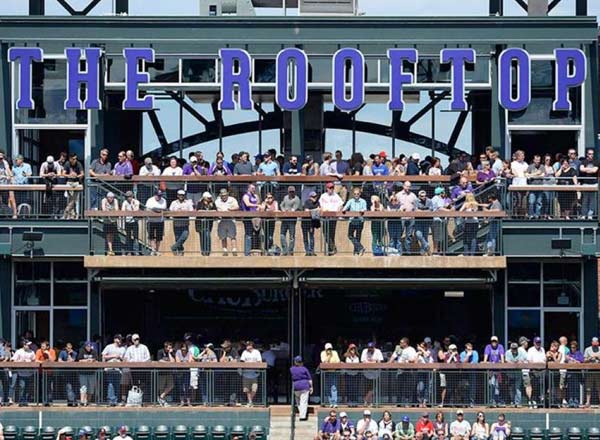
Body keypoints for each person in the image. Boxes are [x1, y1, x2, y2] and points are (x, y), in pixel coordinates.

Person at [101, 334, 126, 406]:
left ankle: (115, 400)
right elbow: (103, 356)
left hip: (118, 369)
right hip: (109, 368)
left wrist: (120, 358)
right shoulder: (109, 346)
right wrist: (114, 356)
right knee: (110, 384)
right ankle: (111, 400)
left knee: (117, 385)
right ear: (115, 339)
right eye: (119, 339)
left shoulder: (123, 348)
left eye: (121, 339)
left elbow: (125, 359)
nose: (120, 340)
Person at [320, 182, 344, 255]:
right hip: (326, 217)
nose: (331, 189)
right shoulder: (323, 196)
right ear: (327, 188)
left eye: (332, 187)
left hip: (333, 217)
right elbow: (321, 205)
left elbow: (341, 205)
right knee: (325, 234)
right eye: (330, 188)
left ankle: (330, 251)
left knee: (331, 234)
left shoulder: (336, 196)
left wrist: (338, 212)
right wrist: (324, 211)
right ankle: (333, 248)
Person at [169, 189, 194, 255]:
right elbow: (170, 211)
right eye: (180, 195)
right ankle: (180, 251)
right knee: (177, 238)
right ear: (177, 195)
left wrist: (184, 211)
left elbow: (191, 211)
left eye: (182, 195)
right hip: (176, 222)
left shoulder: (188, 202)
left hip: (185, 222)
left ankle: (174, 247)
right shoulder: (174, 202)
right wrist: (177, 212)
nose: (181, 196)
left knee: (184, 236)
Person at [343, 187, 367, 255]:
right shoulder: (350, 201)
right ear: (353, 194)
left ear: (360, 194)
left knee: (358, 236)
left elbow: (364, 209)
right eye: (355, 194)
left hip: (360, 221)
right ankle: (360, 248)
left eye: (358, 194)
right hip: (352, 221)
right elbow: (345, 208)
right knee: (350, 235)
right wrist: (344, 210)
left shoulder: (363, 201)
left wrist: (361, 211)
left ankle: (356, 252)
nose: (356, 195)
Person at [12, 340, 36, 406]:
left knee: (27, 388)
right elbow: (13, 360)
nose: (29, 346)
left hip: (30, 373)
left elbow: (34, 360)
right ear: (24, 345)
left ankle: (25, 401)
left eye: (29, 345)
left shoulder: (32, 352)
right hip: (21, 373)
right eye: (28, 345)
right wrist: (21, 361)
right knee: (22, 387)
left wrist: (30, 361)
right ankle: (21, 401)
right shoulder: (19, 351)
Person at [279, 186, 302, 256]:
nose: (291, 193)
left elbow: (294, 209)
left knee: (292, 236)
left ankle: (290, 251)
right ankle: (285, 250)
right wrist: (283, 210)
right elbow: (281, 205)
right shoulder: (285, 197)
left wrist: (288, 211)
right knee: (282, 234)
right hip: (284, 219)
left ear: (294, 192)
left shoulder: (297, 199)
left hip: (292, 220)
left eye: (292, 192)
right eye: (290, 191)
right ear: (288, 192)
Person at [289, 356, 312, 423]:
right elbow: (309, 379)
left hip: (296, 386)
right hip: (304, 386)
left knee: (298, 402)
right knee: (303, 402)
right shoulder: (304, 369)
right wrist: (311, 387)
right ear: (301, 362)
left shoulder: (292, 369)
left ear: (295, 362)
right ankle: (302, 416)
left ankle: (301, 414)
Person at [483, 336, 505, 407]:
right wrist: (486, 362)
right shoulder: (488, 347)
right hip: (491, 370)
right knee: (491, 385)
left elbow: (502, 359)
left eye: (495, 341)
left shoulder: (500, 346)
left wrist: (501, 362)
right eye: (492, 341)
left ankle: (498, 401)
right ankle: (492, 401)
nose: (494, 343)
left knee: (497, 386)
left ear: (497, 341)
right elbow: (485, 359)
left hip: (498, 370)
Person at [240, 341, 262, 406]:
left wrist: (253, 364)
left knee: (254, 389)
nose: (247, 346)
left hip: (254, 374)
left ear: (252, 345)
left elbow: (260, 361)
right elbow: (242, 361)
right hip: (246, 374)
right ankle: (250, 402)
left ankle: (250, 401)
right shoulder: (244, 352)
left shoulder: (257, 352)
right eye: (246, 345)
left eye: (248, 345)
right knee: (247, 389)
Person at [504, 342, 527, 407]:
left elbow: (522, 361)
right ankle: (512, 402)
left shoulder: (520, 352)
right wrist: (515, 363)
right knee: (511, 388)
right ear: (511, 348)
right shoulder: (508, 352)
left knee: (518, 388)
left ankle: (518, 403)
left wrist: (515, 363)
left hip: (518, 373)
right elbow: (507, 361)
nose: (514, 350)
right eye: (513, 349)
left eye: (515, 348)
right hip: (510, 373)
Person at [145, 190, 167, 255]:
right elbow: (147, 209)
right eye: (158, 195)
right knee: (151, 236)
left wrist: (155, 210)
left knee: (159, 237)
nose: (159, 197)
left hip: (160, 221)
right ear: (155, 195)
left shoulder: (164, 200)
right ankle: (153, 249)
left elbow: (163, 209)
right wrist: (156, 210)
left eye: (160, 196)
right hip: (151, 221)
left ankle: (157, 250)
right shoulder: (150, 200)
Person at [35, 340, 57, 406]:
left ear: (47, 347)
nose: (42, 347)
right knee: (41, 386)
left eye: (43, 346)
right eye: (41, 346)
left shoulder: (52, 351)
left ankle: (48, 401)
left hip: (49, 372)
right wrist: (42, 362)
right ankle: (41, 400)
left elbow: (53, 360)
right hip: (40, 372)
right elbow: (36, 360)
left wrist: (48, 354)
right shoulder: (38, 351)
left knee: (48, 387)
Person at [76, 341, 98, 406]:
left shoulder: (94, 352)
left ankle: (88, 402)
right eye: (87, 346)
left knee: (91, 389)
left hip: (92, 373)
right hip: (83, 372)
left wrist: (92, 360)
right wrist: (87, 360)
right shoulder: (82, 351)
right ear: (85, 346)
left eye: (89, 346)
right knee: (83, 388)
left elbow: (97, 360)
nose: (88, 347)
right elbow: (79, 360)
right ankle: (82, 402)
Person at [579, 148, 598, 218]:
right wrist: (590, 169)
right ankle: (584, 215)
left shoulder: (596, 162)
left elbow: (594, 170)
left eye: (592, 154)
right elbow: (581, 169)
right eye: (590, 154)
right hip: (585, 184)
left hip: (594, 184)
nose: (591, 155)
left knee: (593, 201)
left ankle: (590, 215)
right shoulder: (583, 161)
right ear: (587, 154)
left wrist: (586, 169)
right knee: (585, 200)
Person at [196, 192, 216, 256]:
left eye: (210, 198)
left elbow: (215, 211)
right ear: (204, 198)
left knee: (207, 236)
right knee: (202, 237)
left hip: (209, 223)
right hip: (201, 223)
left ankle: (207, 251)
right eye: (208, 198)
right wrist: (207, 212)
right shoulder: (200, 203)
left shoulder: (212, 203)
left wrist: (209, 210)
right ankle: (203, 251)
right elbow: (198, 211)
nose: (210, 199)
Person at [320, 342, 341, 407]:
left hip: (333, 372)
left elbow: (338, 361)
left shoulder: (335, 352)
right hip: (326, 373)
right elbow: (324, 362)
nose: (329, 350)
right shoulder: (323, 353)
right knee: (327, 388)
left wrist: (331, 363)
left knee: (334, 388)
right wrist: (329, 356)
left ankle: (335, 402)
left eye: (330, 349)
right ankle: (330, 402)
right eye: (328, 349)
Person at [156, 341, 176, 406]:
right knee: (161, 387)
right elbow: (160, 360)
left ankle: (161, 397)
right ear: (165, 347)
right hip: (161, 372)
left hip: (169, 372)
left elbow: (173, 361)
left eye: (171, 347)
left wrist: (170, 353)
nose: (170, 349)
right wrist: (168, 363)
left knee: (171, 385)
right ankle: (163, 402)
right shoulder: (160, 351)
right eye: (168, 348)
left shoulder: (172, 352)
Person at [121, 191, 140, 255]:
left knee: (136, 237)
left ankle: (136, 251)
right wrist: (130, 211)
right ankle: (129, 251)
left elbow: (136, 211)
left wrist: (132, 205)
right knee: (128, 236)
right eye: (127, 197)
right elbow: (123, 211)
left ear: (132, 196)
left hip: (134, 221)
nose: (128, 198)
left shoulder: (136, 202)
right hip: (127, 221)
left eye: (130, 196)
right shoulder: (124, 202)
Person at [302, 191, 320, 256]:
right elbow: (306, 210)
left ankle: (311, 251)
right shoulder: (307, 202)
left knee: (311, 237)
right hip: (304, 222)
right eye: (313, 197)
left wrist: (312, 210)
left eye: (315, 196)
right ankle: (307, 251)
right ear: (310, 197)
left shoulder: (317, 202)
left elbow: (320, 209)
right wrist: (315, 210)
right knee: (305, 237)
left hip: (312, 222)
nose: (315, 198)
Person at [584, 336, 600, 407]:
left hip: (598, 371)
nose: (595, 344)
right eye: (594, 343)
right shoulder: (587, 349)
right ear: (592, 342)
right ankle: (588, 402)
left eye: (596, 343)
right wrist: (590, 358)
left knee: (599, 387)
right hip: (590, 371)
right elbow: (584, 360)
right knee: (588, 387)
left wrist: (598, 357)